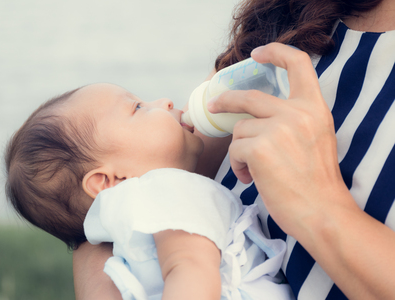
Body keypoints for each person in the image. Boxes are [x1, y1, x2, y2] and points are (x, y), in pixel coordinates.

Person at [72, 0, 395, 299]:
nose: (166, 102)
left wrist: (320, 206)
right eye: (138, 107)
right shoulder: (295, 9)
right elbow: (90, 211)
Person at [5, 83, 295, 299]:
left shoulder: (127, 223)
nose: (166, 102)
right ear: (107, 180)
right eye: (138, 108)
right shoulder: (165, 189)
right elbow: (190, 267)